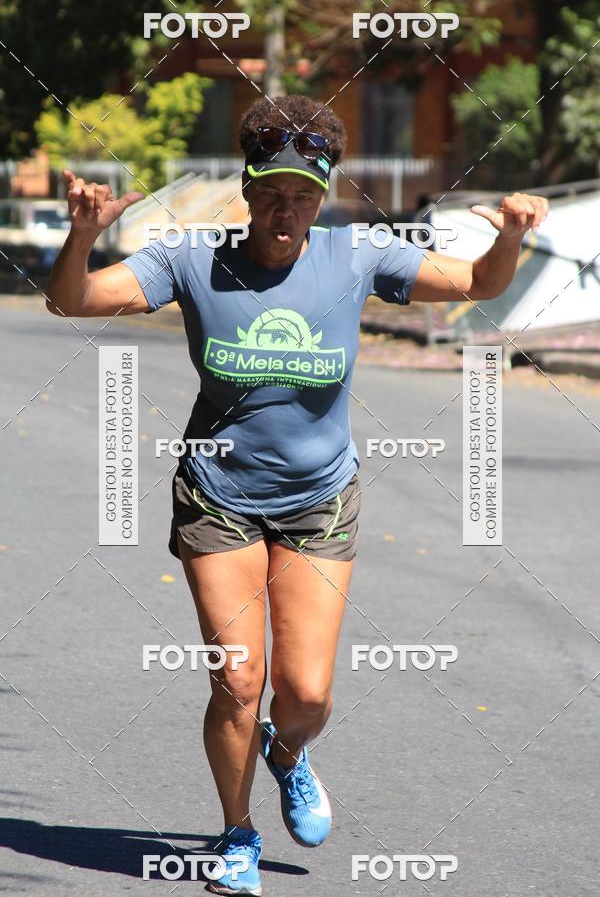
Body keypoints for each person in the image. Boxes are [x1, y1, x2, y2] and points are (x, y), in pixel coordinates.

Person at [46, 94, 549, 896]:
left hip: (319, 499)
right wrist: (82, 233)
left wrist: (513, 238)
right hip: (218, 498)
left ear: (325, 196)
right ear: (247, 190)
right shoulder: (191, 260)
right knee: (238, 679)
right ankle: (237, 833)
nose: (287, 212)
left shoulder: (355, 255)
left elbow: (476, 284)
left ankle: (288, 751)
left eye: (304, 196)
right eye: (272, 194)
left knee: (306, 692)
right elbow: (70, 301)